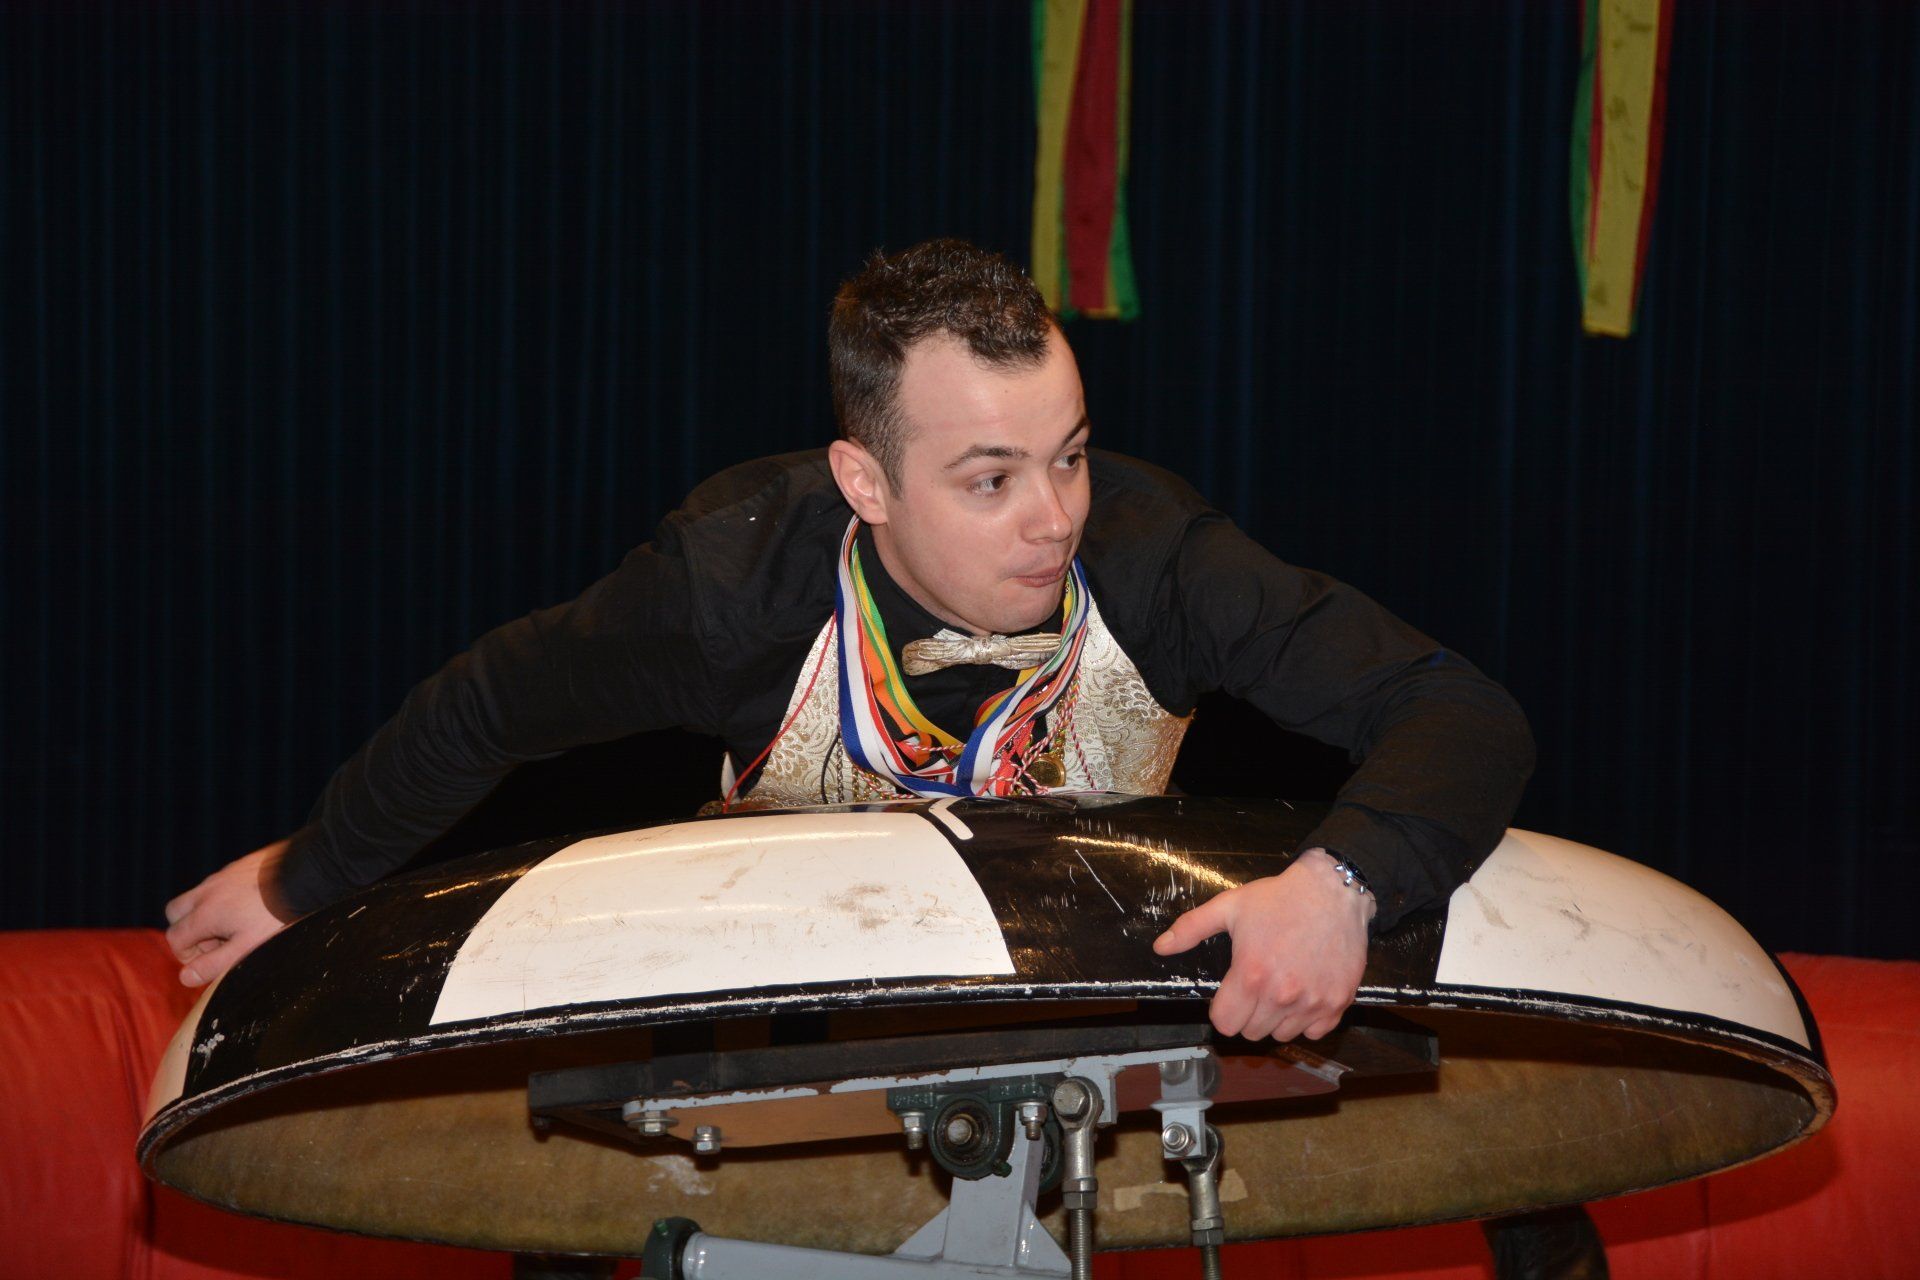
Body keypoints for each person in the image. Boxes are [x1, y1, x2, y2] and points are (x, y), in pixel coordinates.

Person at [166, 237, 1597, 1276]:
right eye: (989, 479)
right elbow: (485, 706)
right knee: (574, 1204)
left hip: (1092, 1002)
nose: (1054, 517)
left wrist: (1339, 885)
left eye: (1071, 454)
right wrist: (304, 884)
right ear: (865, 481)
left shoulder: (1160, 559)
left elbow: (1461, 712)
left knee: (1502, 1136)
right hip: (801, 1015)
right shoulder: (726, 591)